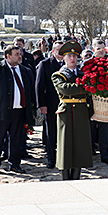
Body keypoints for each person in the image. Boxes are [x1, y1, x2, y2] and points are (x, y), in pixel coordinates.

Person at [0, 45, 35, 174]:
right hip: (0, 112)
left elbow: (31, 93)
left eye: (20, 53)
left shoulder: (25, 71)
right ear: (8, 56)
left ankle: (15, 164)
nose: (20, 56)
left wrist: (31, 111)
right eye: (16, 54)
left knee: (16, 139)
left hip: (19, 111)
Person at [52, 40, 93, 180]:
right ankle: (65, 176)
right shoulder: (58, 74)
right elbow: (65, 89)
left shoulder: (83, 74)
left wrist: (83, 88)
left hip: (82, 110)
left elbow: (87, 90)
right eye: (69, 56)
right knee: (66, 145)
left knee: (80, 145)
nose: (72, 59)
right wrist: (84, 88)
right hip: (66, 112)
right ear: (63, 57)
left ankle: (77, 175)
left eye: (75, 56)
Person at [35, 41, 64, 169]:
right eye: (58, 50)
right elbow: (39, 86)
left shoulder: (69, 64)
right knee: (51, 133)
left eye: (62, 50)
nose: (60, 53)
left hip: (66, 104)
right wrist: (42, 105)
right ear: (53, 51)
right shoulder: (45, 64)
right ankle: (51, 159)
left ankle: (64, 157)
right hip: (50, 104)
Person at [90, 39, 108, 164]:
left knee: (105, 129)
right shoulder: (88, 63)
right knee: (91, 129)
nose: (101, 52)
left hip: (106, 102)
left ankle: (105, 154)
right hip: (91, 102)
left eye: (103, 49)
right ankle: (91, 151)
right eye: (98, 49)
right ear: (93, 49)